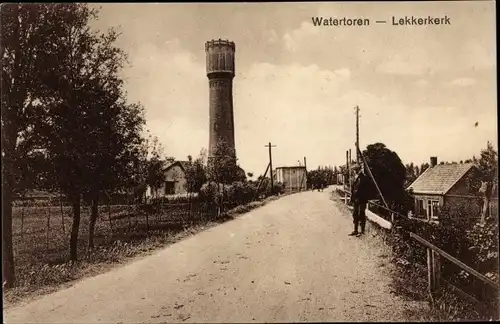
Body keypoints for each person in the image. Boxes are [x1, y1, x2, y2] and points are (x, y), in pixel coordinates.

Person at [349, 167, 370, 237]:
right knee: (355, 214)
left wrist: (359, 197)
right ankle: (355, 230)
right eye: (354, 170)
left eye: (356, 170)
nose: (355, 171)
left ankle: (362, 231)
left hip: (361, 200)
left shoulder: (363, 178)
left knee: (361, 214)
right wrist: (352, 198)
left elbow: (364, 190)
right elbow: (353, 189)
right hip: (356, 200)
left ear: (359, 170)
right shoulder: (355, 178)